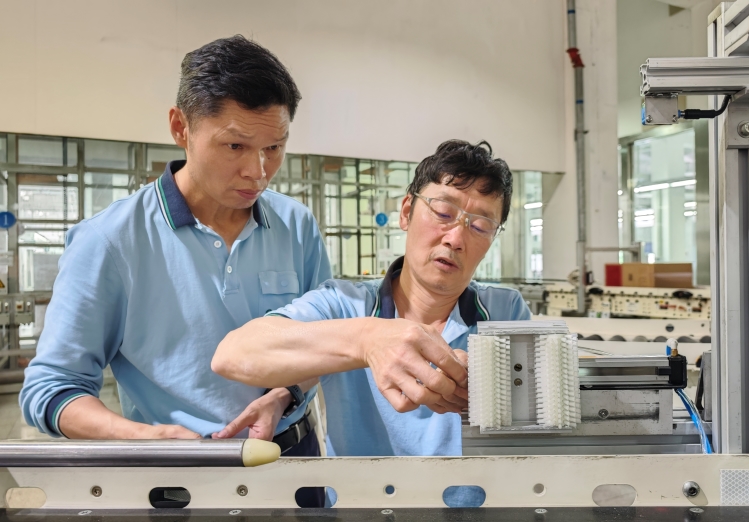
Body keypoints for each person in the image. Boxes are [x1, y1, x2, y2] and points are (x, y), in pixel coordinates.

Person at [20, 36, 330, 504]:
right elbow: (51, 389)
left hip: (294, 466)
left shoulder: (297, 225)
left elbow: (323, 345)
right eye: (235, 145)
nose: (258, 171)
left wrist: (285, 392)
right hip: (177, 480)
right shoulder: (110, 240)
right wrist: (141, 438)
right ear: (180, 127)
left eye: (274, 147)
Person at [212, 139, 531, 506]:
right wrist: (367, 340)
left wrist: (490, 388)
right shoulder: (345, 304)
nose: (456, 238)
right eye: (443, 213)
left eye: (480, 225)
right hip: (363, 508)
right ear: (407, 212)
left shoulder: (504, 311)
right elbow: (234, 354)